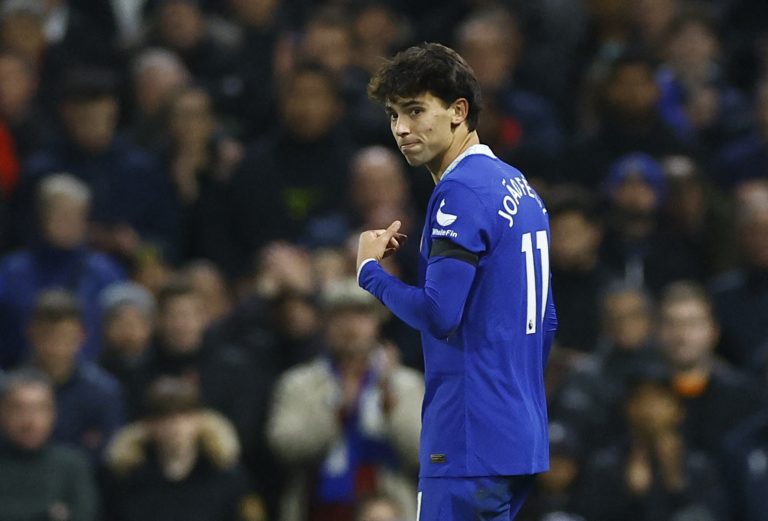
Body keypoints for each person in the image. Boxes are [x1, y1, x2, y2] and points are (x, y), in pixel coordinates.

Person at [357, 43, 557, 520]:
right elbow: (546, 320)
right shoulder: (519, 186)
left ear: (458, 111)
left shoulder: (460, 192)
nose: (402, 129)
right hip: (519, 433)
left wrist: (371, 274)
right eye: (393, 115)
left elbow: (439, 314)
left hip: (468, 438)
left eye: (415, 110)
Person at [0, 368, 98, 521]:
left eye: (40, 409)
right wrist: (47, 514)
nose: (30, 421)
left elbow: (84, 515)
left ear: (53, 414)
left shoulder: (72, 465)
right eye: (19, 409)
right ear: (3, 413)